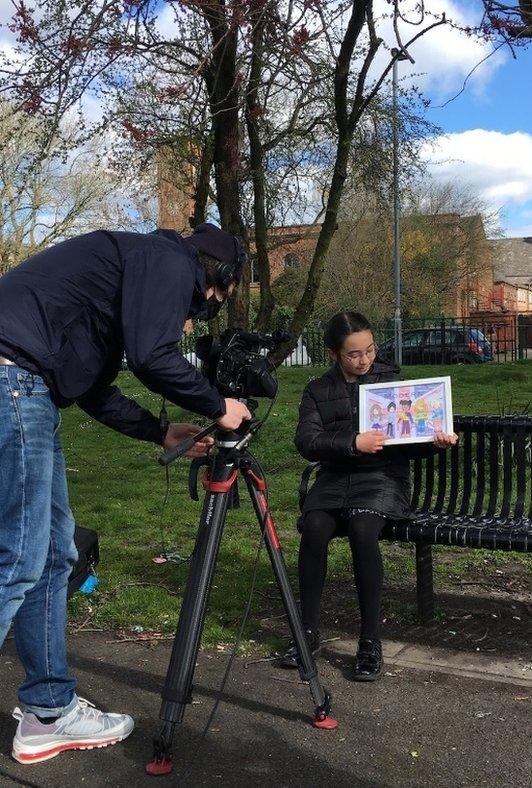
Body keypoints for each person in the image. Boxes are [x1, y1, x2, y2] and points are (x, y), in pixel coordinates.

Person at [0, 222, 251, 764]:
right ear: (210, 271)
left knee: (52, 554)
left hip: (26, 386)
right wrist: (217, 405)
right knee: (19, 558)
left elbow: (88, 386)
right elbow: (152, 354)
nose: (195, 315)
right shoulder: (165, 258)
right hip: (11, 381)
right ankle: (48, 708)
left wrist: (161, 432)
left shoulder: (119, 279)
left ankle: (48, 712)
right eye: (206, 304)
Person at [281, 312, 457, 680]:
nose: (364, 360)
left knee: (363, 532)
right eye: (354, 354)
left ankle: (370, 641)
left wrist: (436, 443)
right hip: (334, 479)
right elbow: (306, 441)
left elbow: (407, 444)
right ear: (334, 354)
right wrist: (352, 442)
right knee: (313, 529)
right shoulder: (317, 390)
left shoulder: (389, 382)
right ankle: (307, 633)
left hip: (380, 479)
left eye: (370, 350)